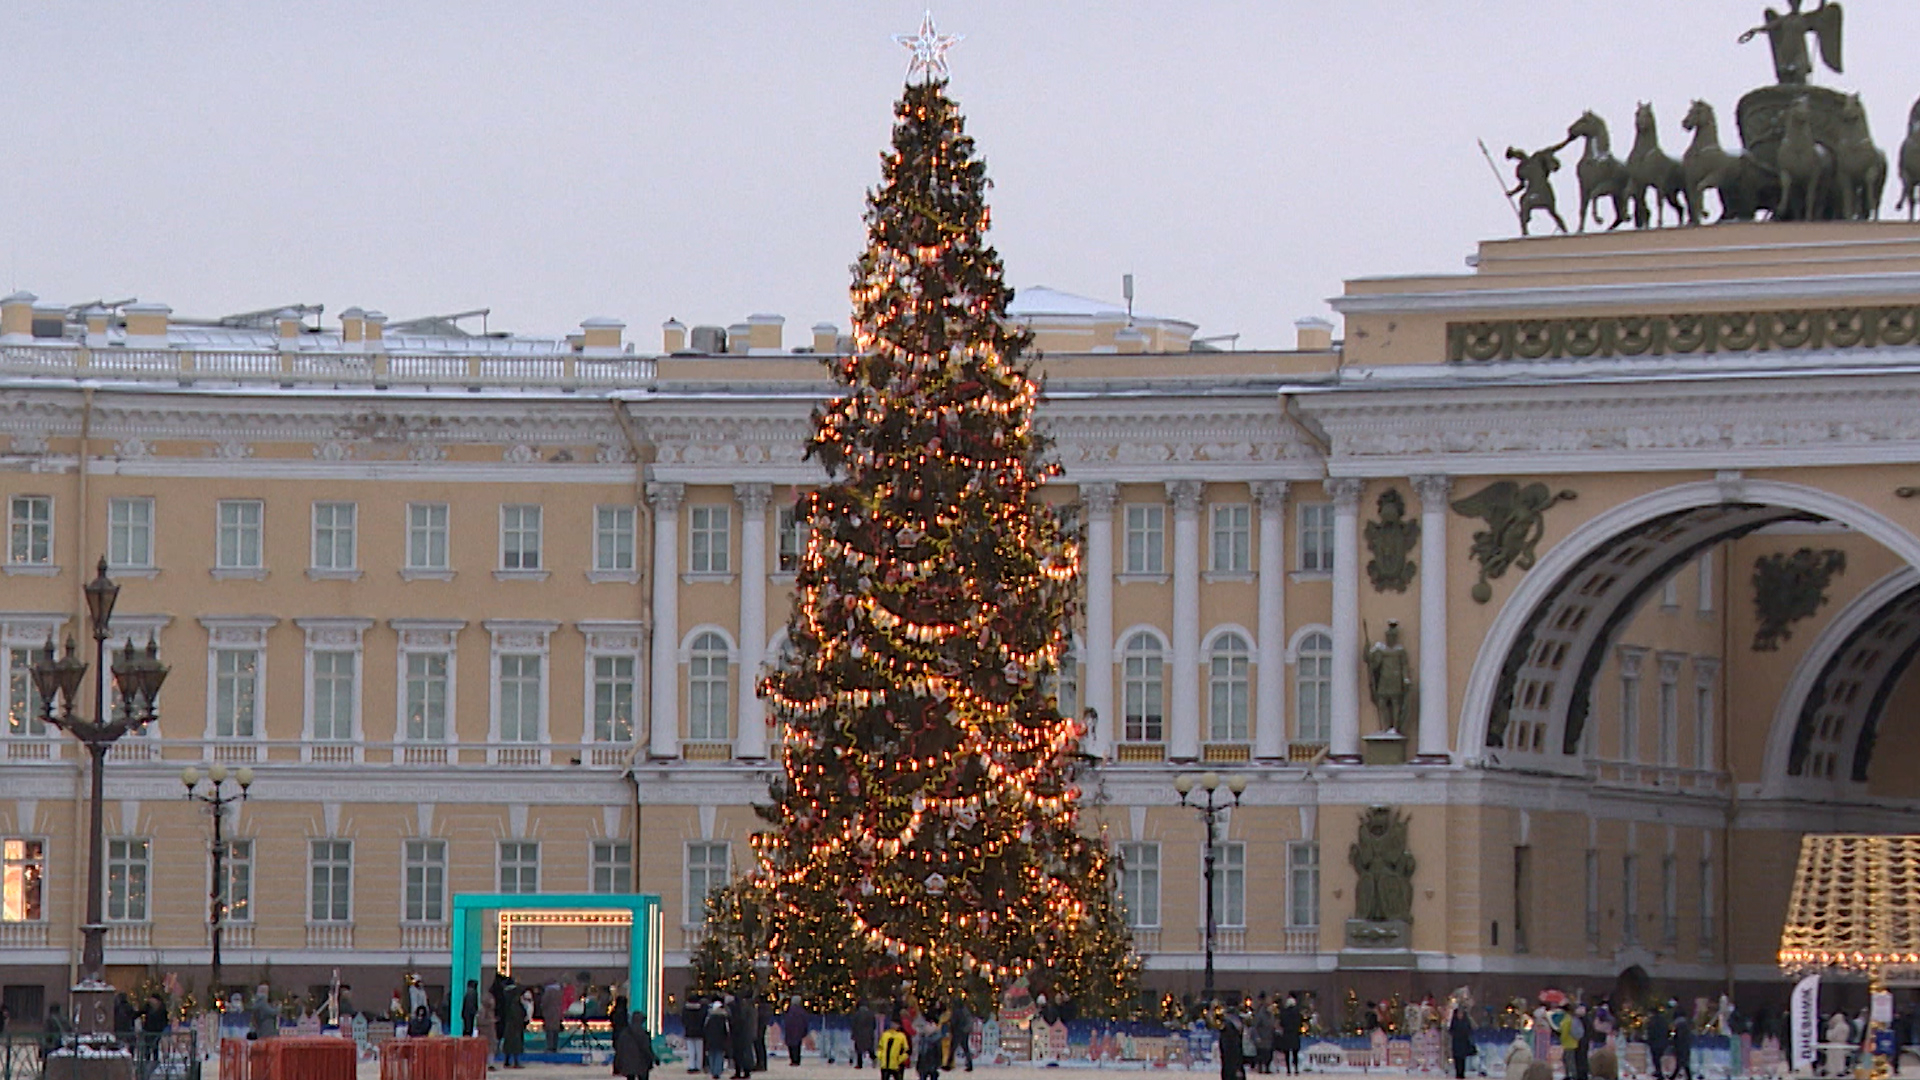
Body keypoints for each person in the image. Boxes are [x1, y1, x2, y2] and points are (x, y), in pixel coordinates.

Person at [616, 1011, 657, 1080]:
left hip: (628, 1063)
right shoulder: (643, 1034)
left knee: (630, 1077)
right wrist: (653, 1058)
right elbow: (646, 1048)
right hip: (642, 1063)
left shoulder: (625, 1033)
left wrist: (618, 1063)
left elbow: (620, 1049)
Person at [911, 1007, 944, 1080]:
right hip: (924, 1065)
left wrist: (938, 1063)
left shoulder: (936, 1038)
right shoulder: (923, 1038)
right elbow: (920, 1053)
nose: (928, 1027)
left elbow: (939, 1052)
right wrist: (918, 1065)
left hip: (932, 1064)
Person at [703, 1001, 732, 1080]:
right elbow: (727, 1030)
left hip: (710, 1039)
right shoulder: (724, 1018)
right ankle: (717, 1071)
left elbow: (705, 1029)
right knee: (719, 1055)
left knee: (711, 1055)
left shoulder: (709, 1017)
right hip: (721, 1039)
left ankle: (713, 1070)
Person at [503, 985, 528, 1069]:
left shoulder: (509, 1002)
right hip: (515, 1027)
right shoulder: (515, 1004)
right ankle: (516, 1062)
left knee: (509, 1045)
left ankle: (507, 1061)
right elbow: (518, 1015)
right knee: (515, 1045)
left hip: (510, 1027)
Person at [1278, 997, 1304, 1077]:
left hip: (1286, 1034)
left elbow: (1281, 1023)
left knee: (1287, 1053)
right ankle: (1296, 1069)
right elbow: (1300, 1023)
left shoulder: (1284, 1013)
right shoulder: (1298, 1013)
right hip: (1295, 1034)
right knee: (1295, 1053)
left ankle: (1288, 1070)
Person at [1449, 1004, 1476, 1080]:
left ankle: (1461, 1073)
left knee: (1462, 1059)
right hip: (1456, 1042)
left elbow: (1469, 1030)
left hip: (1463, 1043)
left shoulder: (1465, 1022)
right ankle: (1458, 1073)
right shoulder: (1454, 1022)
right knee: (1457, 1058)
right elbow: (1451, 1031)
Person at [1219, 1008, 1247, 1080]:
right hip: (1232, 1066)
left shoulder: (1226, 1028)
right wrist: (1237, 1068)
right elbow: (1234, 1050)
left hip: (1229, 1065)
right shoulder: (1231, 1032)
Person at [781, 997, 810, 1067]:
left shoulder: (789, 1010)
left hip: (790, 1030)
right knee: (797, 1045)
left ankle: (793, 1059)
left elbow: (786, 1020)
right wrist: (805, 1030)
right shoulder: (802, 1011)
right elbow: (805, 1020)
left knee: (791, 1045)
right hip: (799, 1030)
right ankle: (797, 1059)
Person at [1646, 1003, 1672, 1080]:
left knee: (1656, 1058)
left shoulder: (1652, 1021)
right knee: (1659, 1058)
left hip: (1655, 1042)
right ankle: (1659, 1071)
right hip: (1663, 1042)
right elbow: (1667, 1031)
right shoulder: (1663, 1020)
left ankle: (1659, 1072)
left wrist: (1649, 1040)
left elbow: (1651, 1032)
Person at [949, 996, 974, 1072]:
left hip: (958, 1031)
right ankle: (969, 1064)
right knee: (965, 1048)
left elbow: (954, 1022)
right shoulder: (965, 1010)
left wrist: (952, 1029)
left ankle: (948, 1064)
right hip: (964, 1031)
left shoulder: (957, 1011)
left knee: (953, 1048)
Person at [683, 995, 707, 1075]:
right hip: (700, 1032)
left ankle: (691, 1066)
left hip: (689, 1031)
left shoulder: (686, 1010)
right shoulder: (701, 1010)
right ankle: (698, 1066)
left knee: (691, 1051)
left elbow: (683, 1020)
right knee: (699, 1050)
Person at [1670, 1002, 1694, 1080]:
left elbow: (1679, 1037)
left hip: (1681, 1046)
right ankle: (1686, 1077)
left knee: (1681, 1062)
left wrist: (1674, 1042)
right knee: (1684, 1063)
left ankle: (1674, 1077)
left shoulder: (1680, 1026)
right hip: (1685, 1046)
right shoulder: (1685, 1024)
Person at [851, 1000, 878, 1070]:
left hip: (859, 1033)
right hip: (869, 1033)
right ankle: (874, 1058)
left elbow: (854, 1025)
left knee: (859, 1049)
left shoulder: (857, 1014)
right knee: (869, 1048)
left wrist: (853, 1034)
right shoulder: (871, 1014)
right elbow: (874, 1025)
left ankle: (859, 1064)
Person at [1253, 998, 1276, 1075]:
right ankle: (1260, 1067)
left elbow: (1272, 1025)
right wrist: (1257, 1036)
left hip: (1269, 1038)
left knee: (1269, 1054)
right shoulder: (1261, 1015)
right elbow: (1255, 1027)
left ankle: (1267, 1067)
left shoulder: (1271, 1015)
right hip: (1262, 1037)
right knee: (1261, 1053)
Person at [543, 982, 566, 1053]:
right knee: (555, 1030)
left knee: (549, 1031)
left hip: (549, 1014)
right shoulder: (559, 992)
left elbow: (544, 1003)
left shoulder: (548, 992)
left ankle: (550, 1047)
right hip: (557, 1013)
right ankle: (554, 1047)